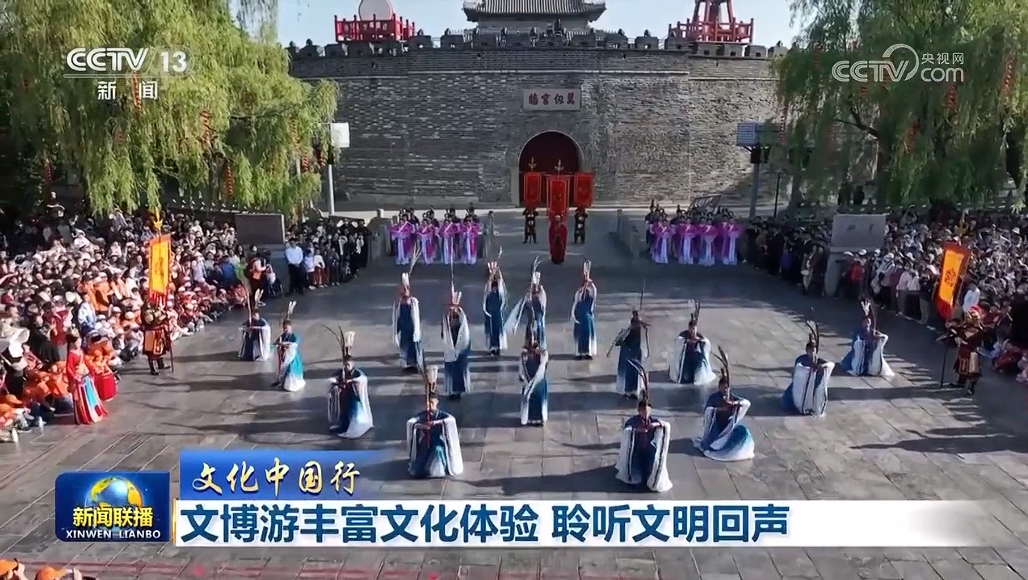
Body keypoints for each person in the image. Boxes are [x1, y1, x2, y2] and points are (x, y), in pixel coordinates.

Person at [693, 348, 755, 461]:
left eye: (727, 388)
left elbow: (746, 403)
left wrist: (733, 403)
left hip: (728, 426)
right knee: (711, 445)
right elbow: (708, 410)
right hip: (717, 425)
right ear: (719, 387)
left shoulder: (732, 396)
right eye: (723, 387)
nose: (725, 390)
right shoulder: (714, 397)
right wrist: (720, 409)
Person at [406, 366, 464, 478]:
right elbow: (412, 421)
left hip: (438, 440)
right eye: (428, 403)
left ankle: (441, 468)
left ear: (437, 403)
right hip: (427, 440)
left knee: (438, 450)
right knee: (423, 451)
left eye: (432, 403)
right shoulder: (423, 414)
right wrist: (420, 425)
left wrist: (436, 423)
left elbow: (450, 420)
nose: (429, 406)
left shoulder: (441, 415)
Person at [615, 394, 672, 492]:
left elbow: (666, 425)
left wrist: (656, 424)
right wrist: (637, 430)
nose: (646, 414)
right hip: (636, 450)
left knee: (653, 465)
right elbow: (627, 431)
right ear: (639, 411)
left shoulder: (652, 421)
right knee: (636, 476)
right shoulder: (633, 421)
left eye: (648, 412)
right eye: (643, 411)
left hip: (648, 449)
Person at [328, 331, 373, 438]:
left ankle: (353, 426)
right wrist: (335, 382)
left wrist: (351, 381)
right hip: (344, 396)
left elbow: (362, 379)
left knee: (353, 413)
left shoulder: (356, 372)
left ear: (352, 364)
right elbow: (334, 377)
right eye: (345, 365)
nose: (346, 367)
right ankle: (343, 426)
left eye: (348, 365)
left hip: (353, 397)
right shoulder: (342, 371)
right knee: (344, 413)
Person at [783, 323, 834, 416]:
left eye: (813, 351)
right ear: (807, 351)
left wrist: (821, 366)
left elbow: (830, 364)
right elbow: (798, 370)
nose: (812, 353)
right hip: (801, 386)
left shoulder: (819, 360)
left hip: (813, 387)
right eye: (810, 351)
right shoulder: (801, 359)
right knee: (788, 402)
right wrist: (808, 369)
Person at [840, 297, 894, 377]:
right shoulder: (858, 331)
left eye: (869, 322)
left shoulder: (872, 330)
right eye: (866, 322)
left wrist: (875, 338)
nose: (867, 324)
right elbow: (856, 342)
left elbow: (880, 336)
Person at [66, 331, 108, 425]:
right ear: (72, 343)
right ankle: (83, 416)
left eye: (79, 341)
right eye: (77, 342)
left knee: (89, 395)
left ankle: (93, 412)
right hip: (79, 377)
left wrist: (92, 369)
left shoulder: (80, 350)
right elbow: (69, 367)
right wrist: (75, 376)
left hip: (86, 374)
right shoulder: (71, 354)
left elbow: (85, 361)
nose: (79, 343)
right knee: (81, 398)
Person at [668, 303, 716, 385]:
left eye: (694, 329)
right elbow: (678, 342)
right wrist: (686, 342)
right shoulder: (684, 335)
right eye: (691, 329)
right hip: (686, 360)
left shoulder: (700, 336)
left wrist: (700, 342)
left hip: (696, 360)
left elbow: (706, 343)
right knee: (685, 376)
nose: (692, 331)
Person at [947, 306, 987, 395]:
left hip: (972, 352)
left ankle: (971, 388)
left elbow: (965, 336)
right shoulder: (965, 326)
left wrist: (957, 332)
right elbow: (958, 330)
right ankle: (961, 382)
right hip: (963, 350)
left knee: (973, 371)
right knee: (961, 367)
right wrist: (952, 329)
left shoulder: (977, 329)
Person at [441, 287, 472, 401]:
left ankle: (458, 391)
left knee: (458, 370)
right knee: (451, 370)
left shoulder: (461, 317)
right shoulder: (446, 317)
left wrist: (460, 349)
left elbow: (464, 333)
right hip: (450, 347)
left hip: (459, 347)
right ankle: (451, 391)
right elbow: (444, 331)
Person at [610, 310, 649, 399]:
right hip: (628, 352)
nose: (636, 316)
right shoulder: (629, 326)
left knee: (635, 372)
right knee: (628, 372)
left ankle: (634, 391)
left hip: (636, 352)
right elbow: (620, 340)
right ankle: (627, 391)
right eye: (635, 315)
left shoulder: (639, 326)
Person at [504, 271, 547, 348]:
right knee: (530, 328)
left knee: (539, 327)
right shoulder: (529, 292)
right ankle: (529, 344)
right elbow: (522, 305)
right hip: (531, 315)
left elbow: (542, 303)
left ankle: (540, 344)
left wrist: (537, 299)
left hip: (538, 315)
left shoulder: (541, 291)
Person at [519, 320, 550, 425]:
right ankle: (530, 417)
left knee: (538, 395)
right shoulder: (524, 354)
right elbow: (521, 367)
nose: (532, 340)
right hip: (528, 379)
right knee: (529, 398)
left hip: (538, 380)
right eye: (530, 337)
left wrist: (541, 355)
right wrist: (522, 377)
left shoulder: (542, 353)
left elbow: (544, 366)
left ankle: (539, 418)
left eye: (534, 337)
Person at [392, 273, 423, 373]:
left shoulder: (413, 302)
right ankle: (406, 365)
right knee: (404, 345)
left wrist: (416, 330)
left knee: (413, 347)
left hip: (411, 328)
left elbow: (416, 317)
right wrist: (395, 331)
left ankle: (415, 364)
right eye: (403, 289)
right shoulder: (398, 303)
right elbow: (396, 317)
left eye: (406, 289)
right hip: (403, 328)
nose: (405, 291)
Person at [571, 261, 597, 360]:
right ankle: (579, 353)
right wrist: (573, 314)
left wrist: (591, 284)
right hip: (579, 317)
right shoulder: (579, 292)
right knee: (579, 334)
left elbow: (594, 294)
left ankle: (588, 352)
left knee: (587, 334)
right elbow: (575, 303)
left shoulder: (591, 291)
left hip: (587, 317)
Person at [273, 315, 305, 392]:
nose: (286, 330)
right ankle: (282, 382)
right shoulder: (282, 336)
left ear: (291, 328)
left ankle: (290, 385)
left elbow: (295, 344)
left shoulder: (295, 336)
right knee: (282, 369)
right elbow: (276, 343)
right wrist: (279, 344)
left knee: (290, 369)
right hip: (285, 357)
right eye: (284, 328)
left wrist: (285, 344)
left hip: (293, 358)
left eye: (287, 328)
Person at [482, 261, 507, 356]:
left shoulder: (499, 286)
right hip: (491, 312)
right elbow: (487, 291)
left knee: (498, 329)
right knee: (491, 330)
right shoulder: (488, 286)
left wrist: (497, 272)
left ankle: (499, 346)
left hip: (497, 312)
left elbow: (501, 290)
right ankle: (492, 347)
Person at [141, 302, 170, 376]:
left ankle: (161, 364)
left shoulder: (157, 308)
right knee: (152, 350)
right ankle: (152, 369)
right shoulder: (146, 311)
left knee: (160, 347)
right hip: (151, 332)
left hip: (159, 330)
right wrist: (162, 315)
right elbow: (151, 320)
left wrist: (165, 314)